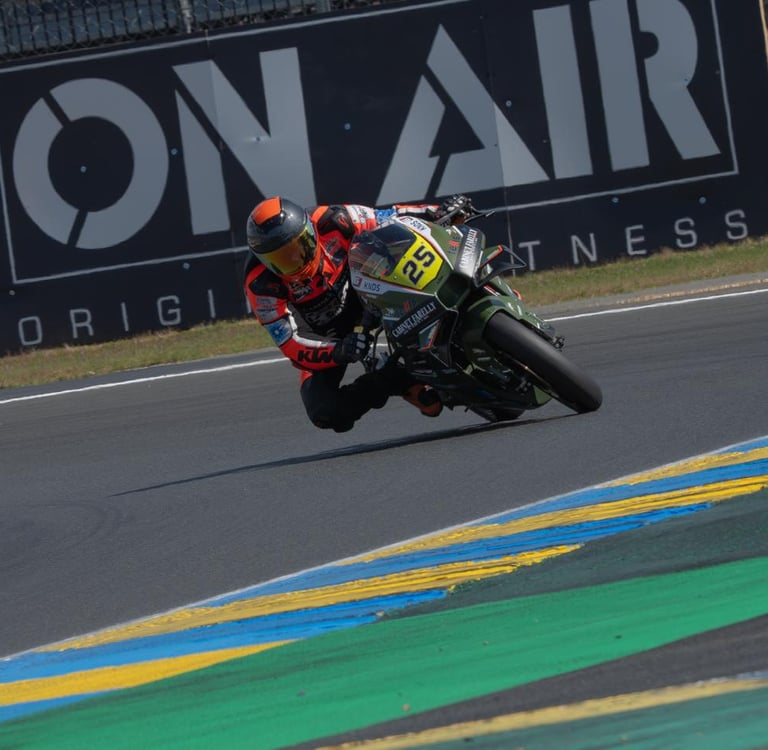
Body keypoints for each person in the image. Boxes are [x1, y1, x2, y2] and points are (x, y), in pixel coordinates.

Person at [244, 195, 472, 433]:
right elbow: (290, 342)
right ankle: (391, 377)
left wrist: (437, 212)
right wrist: (338, 350)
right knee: (324, 412)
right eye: (280, 259)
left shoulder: (331, 219)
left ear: (309, 232)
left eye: (297, 248)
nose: (294, 260)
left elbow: (386, 217)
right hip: (328, 336)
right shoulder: (260, 284)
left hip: (370, 291)